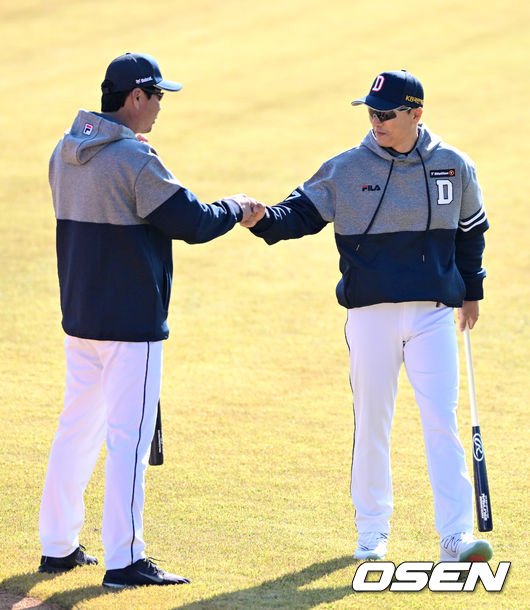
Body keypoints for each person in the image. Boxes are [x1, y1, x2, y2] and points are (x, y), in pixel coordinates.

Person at [245, 70, 493, 563]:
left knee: (441, 422)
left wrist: (472, 292)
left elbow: (470, 233)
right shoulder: (345, 168)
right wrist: (260, 219)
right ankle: (372, 533)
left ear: (415, 114)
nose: (375, 121)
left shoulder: (454, 165)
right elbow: (297, 215)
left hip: (434, 316)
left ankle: (456, 536)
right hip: (370, 316)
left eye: (386, 113)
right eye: (370, 112)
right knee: (373, 425)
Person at [38, 52, 265, 588]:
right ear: (134, 98)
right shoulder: (136, 161)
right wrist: (236, 205)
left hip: (82, 316)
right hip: (130, 325)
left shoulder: (62, 152)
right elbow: (193, 222)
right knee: (129, 439)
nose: (162, 105)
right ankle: (126, 560)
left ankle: (58, 546)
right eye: (158, 96)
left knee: (76, 430)